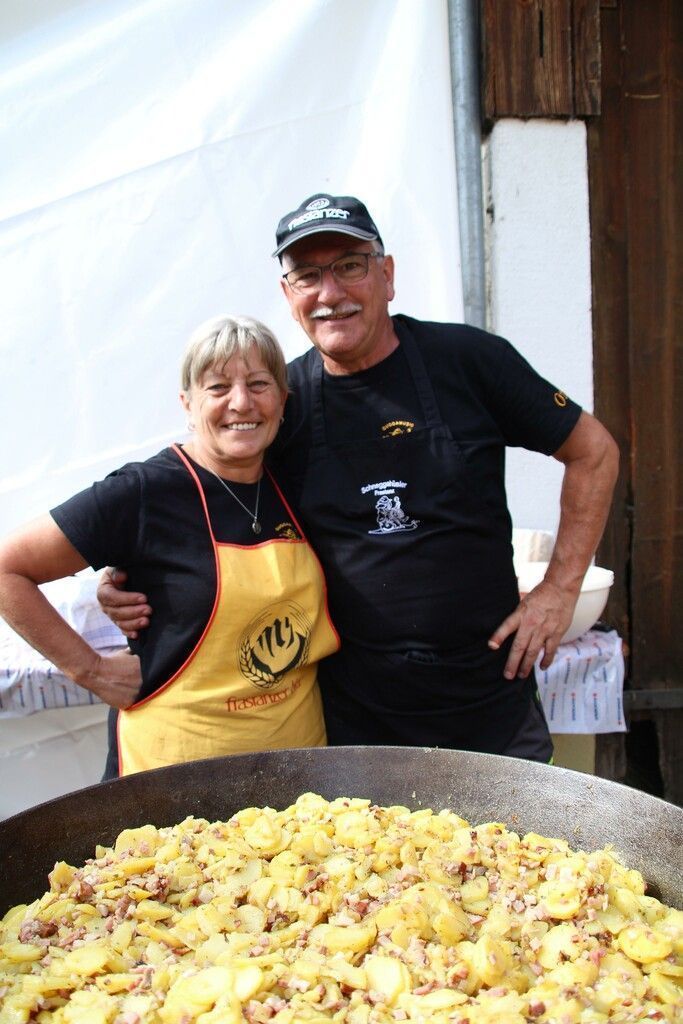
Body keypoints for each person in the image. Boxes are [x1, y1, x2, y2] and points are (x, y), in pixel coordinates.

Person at [101, 194, 619, 762]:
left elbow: (593, 451)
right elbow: (215, 494)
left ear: (387, 275)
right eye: (307, 276)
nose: (331, 293)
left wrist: (560, 590)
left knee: (514, 848)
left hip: (488, 698)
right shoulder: (284, 404)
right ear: (289, 296)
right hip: (357, 715)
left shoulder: (469, 361)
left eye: (349, 266)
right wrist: (135, 572)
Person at [0, 315, 339, 777]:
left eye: (259, 383)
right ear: (187, 403)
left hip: (297, 775)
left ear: (283, 400)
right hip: (173, 779)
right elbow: (7, 570)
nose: (241, 402)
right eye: (218, 388)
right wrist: (90, 670)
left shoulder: (295, 478)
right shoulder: (143, 492)